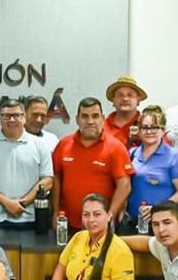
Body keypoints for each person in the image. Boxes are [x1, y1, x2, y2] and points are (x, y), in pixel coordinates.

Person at [52, 97, 134, 230]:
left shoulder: (116, 147)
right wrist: (55, 212)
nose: (90, 121)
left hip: (102, 227)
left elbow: (124, 186)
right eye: (84, 116)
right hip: (68, 225)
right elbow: (56, 179)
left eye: (95, 116)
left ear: (103, 119)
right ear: (77, 119)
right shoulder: (63, 145)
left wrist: (110, 215)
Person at [0, 99, 54, 229]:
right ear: (0, 119)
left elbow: (48, 180)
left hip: (32, 219)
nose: (11, 120)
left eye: (16, 115)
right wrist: (6, 203)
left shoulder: (40, 145)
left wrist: (22, 204)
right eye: (6, 116)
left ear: (24, 118)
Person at [126, 105, 178, 229]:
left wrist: (158, 209)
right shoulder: (132, 153)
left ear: (163, 130)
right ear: (139, 130)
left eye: (154, 127)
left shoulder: (174, 157)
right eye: (145, 127)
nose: (149, 132)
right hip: (133, 222)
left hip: (162, 224)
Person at [103, 75, 147, 148]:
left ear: (138, 100)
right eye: (120, 95)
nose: (125, 99)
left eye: (130, 95)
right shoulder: (102, 126)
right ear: (113, 100)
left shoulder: (148, 126)